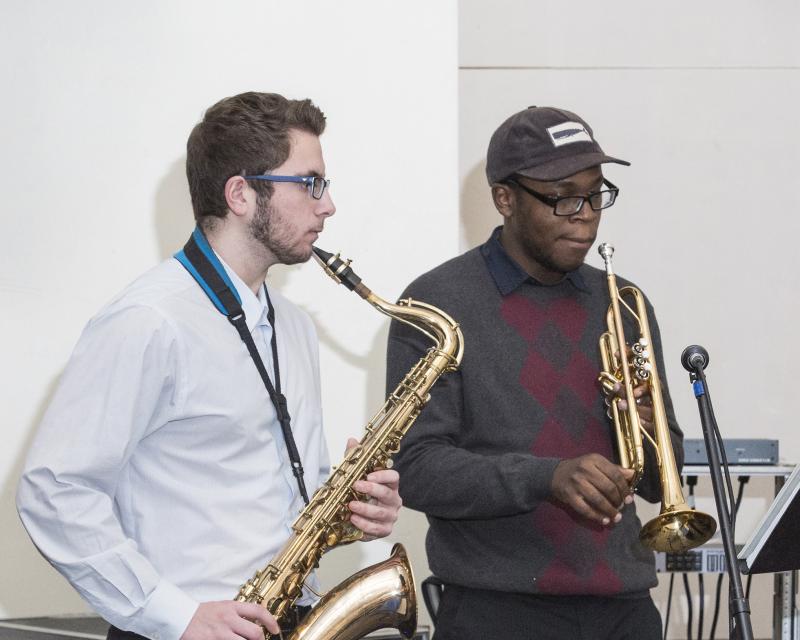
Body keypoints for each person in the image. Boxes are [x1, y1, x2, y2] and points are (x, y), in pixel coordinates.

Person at [17, 91, 402, 640]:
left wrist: (354, 510)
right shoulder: (148, 320)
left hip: (281, 618)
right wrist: (176, 616)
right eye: (310, 183)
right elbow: (54, 490)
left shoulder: (293, 325)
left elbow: (277, 491)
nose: (328, 205)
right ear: (240, 194)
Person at [386, 106, 682, 640]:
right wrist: (546, 477)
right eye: (562, 197)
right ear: (505, 198)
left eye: (595, 194)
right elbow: (418, 468)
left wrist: (645, 428)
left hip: (625, 610)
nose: (585, 215)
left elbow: (665, 481)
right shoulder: (437, 302)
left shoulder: (623, 303)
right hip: (496, 612)